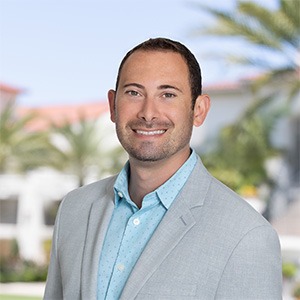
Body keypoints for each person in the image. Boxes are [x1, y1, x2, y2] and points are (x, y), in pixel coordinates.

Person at [44, 37, 282, 300]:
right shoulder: (74, 209)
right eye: (134, 92)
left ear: (199, 110)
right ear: (113, 105)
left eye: (167, 94)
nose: (148, 113)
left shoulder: (248, 237)